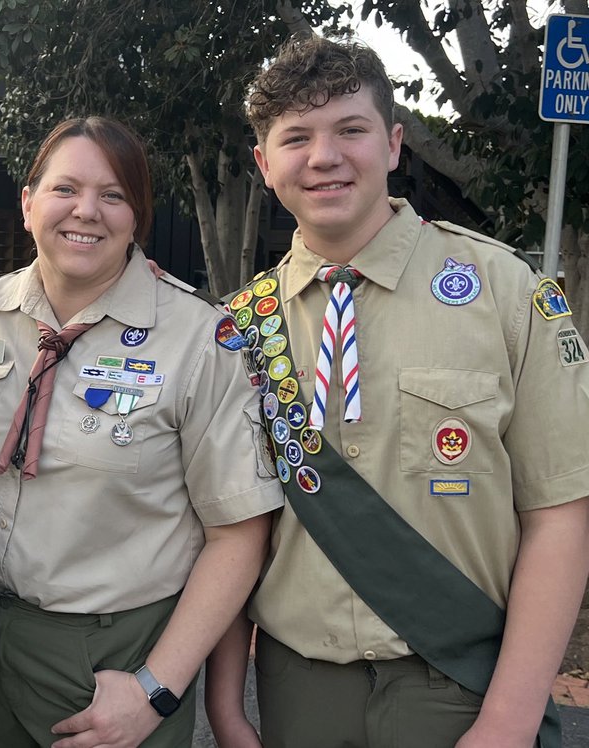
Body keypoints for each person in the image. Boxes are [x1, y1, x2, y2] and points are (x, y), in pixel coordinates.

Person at [210, 34, 589, 748]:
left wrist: (507, 722)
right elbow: (230, 531)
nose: (325, 157)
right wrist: (227, 708)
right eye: (296, 138)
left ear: (392, 144)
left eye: (350, 129)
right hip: (299, 691)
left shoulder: (505, 293)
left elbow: (562, 514)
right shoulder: (237, 330)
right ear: (265, 165)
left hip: (463, 687)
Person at [0, 116, 284, 748]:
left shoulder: (198, 337)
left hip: (111, 658)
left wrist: (154, 690)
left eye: (114, 195)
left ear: (137, 216)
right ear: (28, 205)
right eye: (66, 189)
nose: (87, 211)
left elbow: (239, 532)